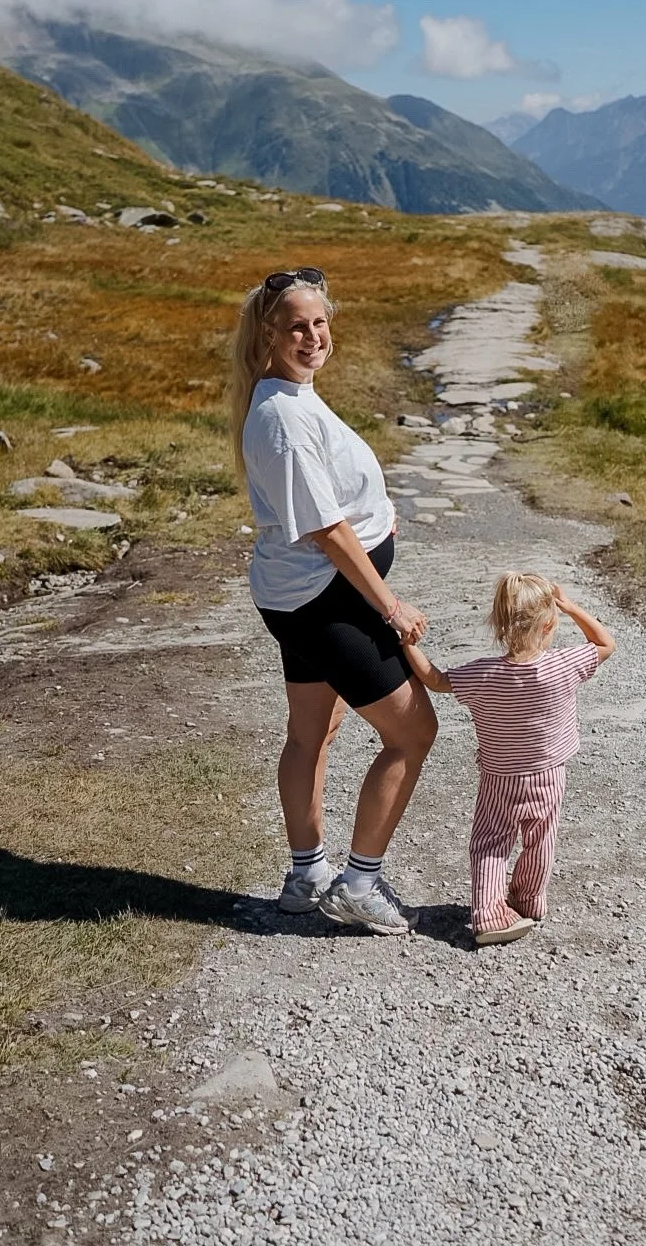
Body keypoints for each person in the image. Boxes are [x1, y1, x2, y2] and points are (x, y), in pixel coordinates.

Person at [231, 265, 437, 936]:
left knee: (311, 732)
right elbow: (325, 530)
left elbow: (333, 501)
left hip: (303, 597)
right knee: (413, 732)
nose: (313, 336)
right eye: (297, 326)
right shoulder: (281, 417)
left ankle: (306, 877)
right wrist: (390, 606)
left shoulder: (293, 395)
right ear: (268, 332)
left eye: (320, 323)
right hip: (325, 602)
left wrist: (378, 513)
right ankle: (359, 883)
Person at [403, 573, 615, 945]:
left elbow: (434, 679)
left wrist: (407, 644)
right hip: (549, 774)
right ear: (548, 625)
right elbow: (605, 643)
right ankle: (528, 900)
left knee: (490, 841)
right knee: (541, 838)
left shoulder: (482, 673)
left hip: (499, 776)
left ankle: (488, 914)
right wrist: (570, 607)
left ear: (499, 623)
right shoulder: (564, 665)